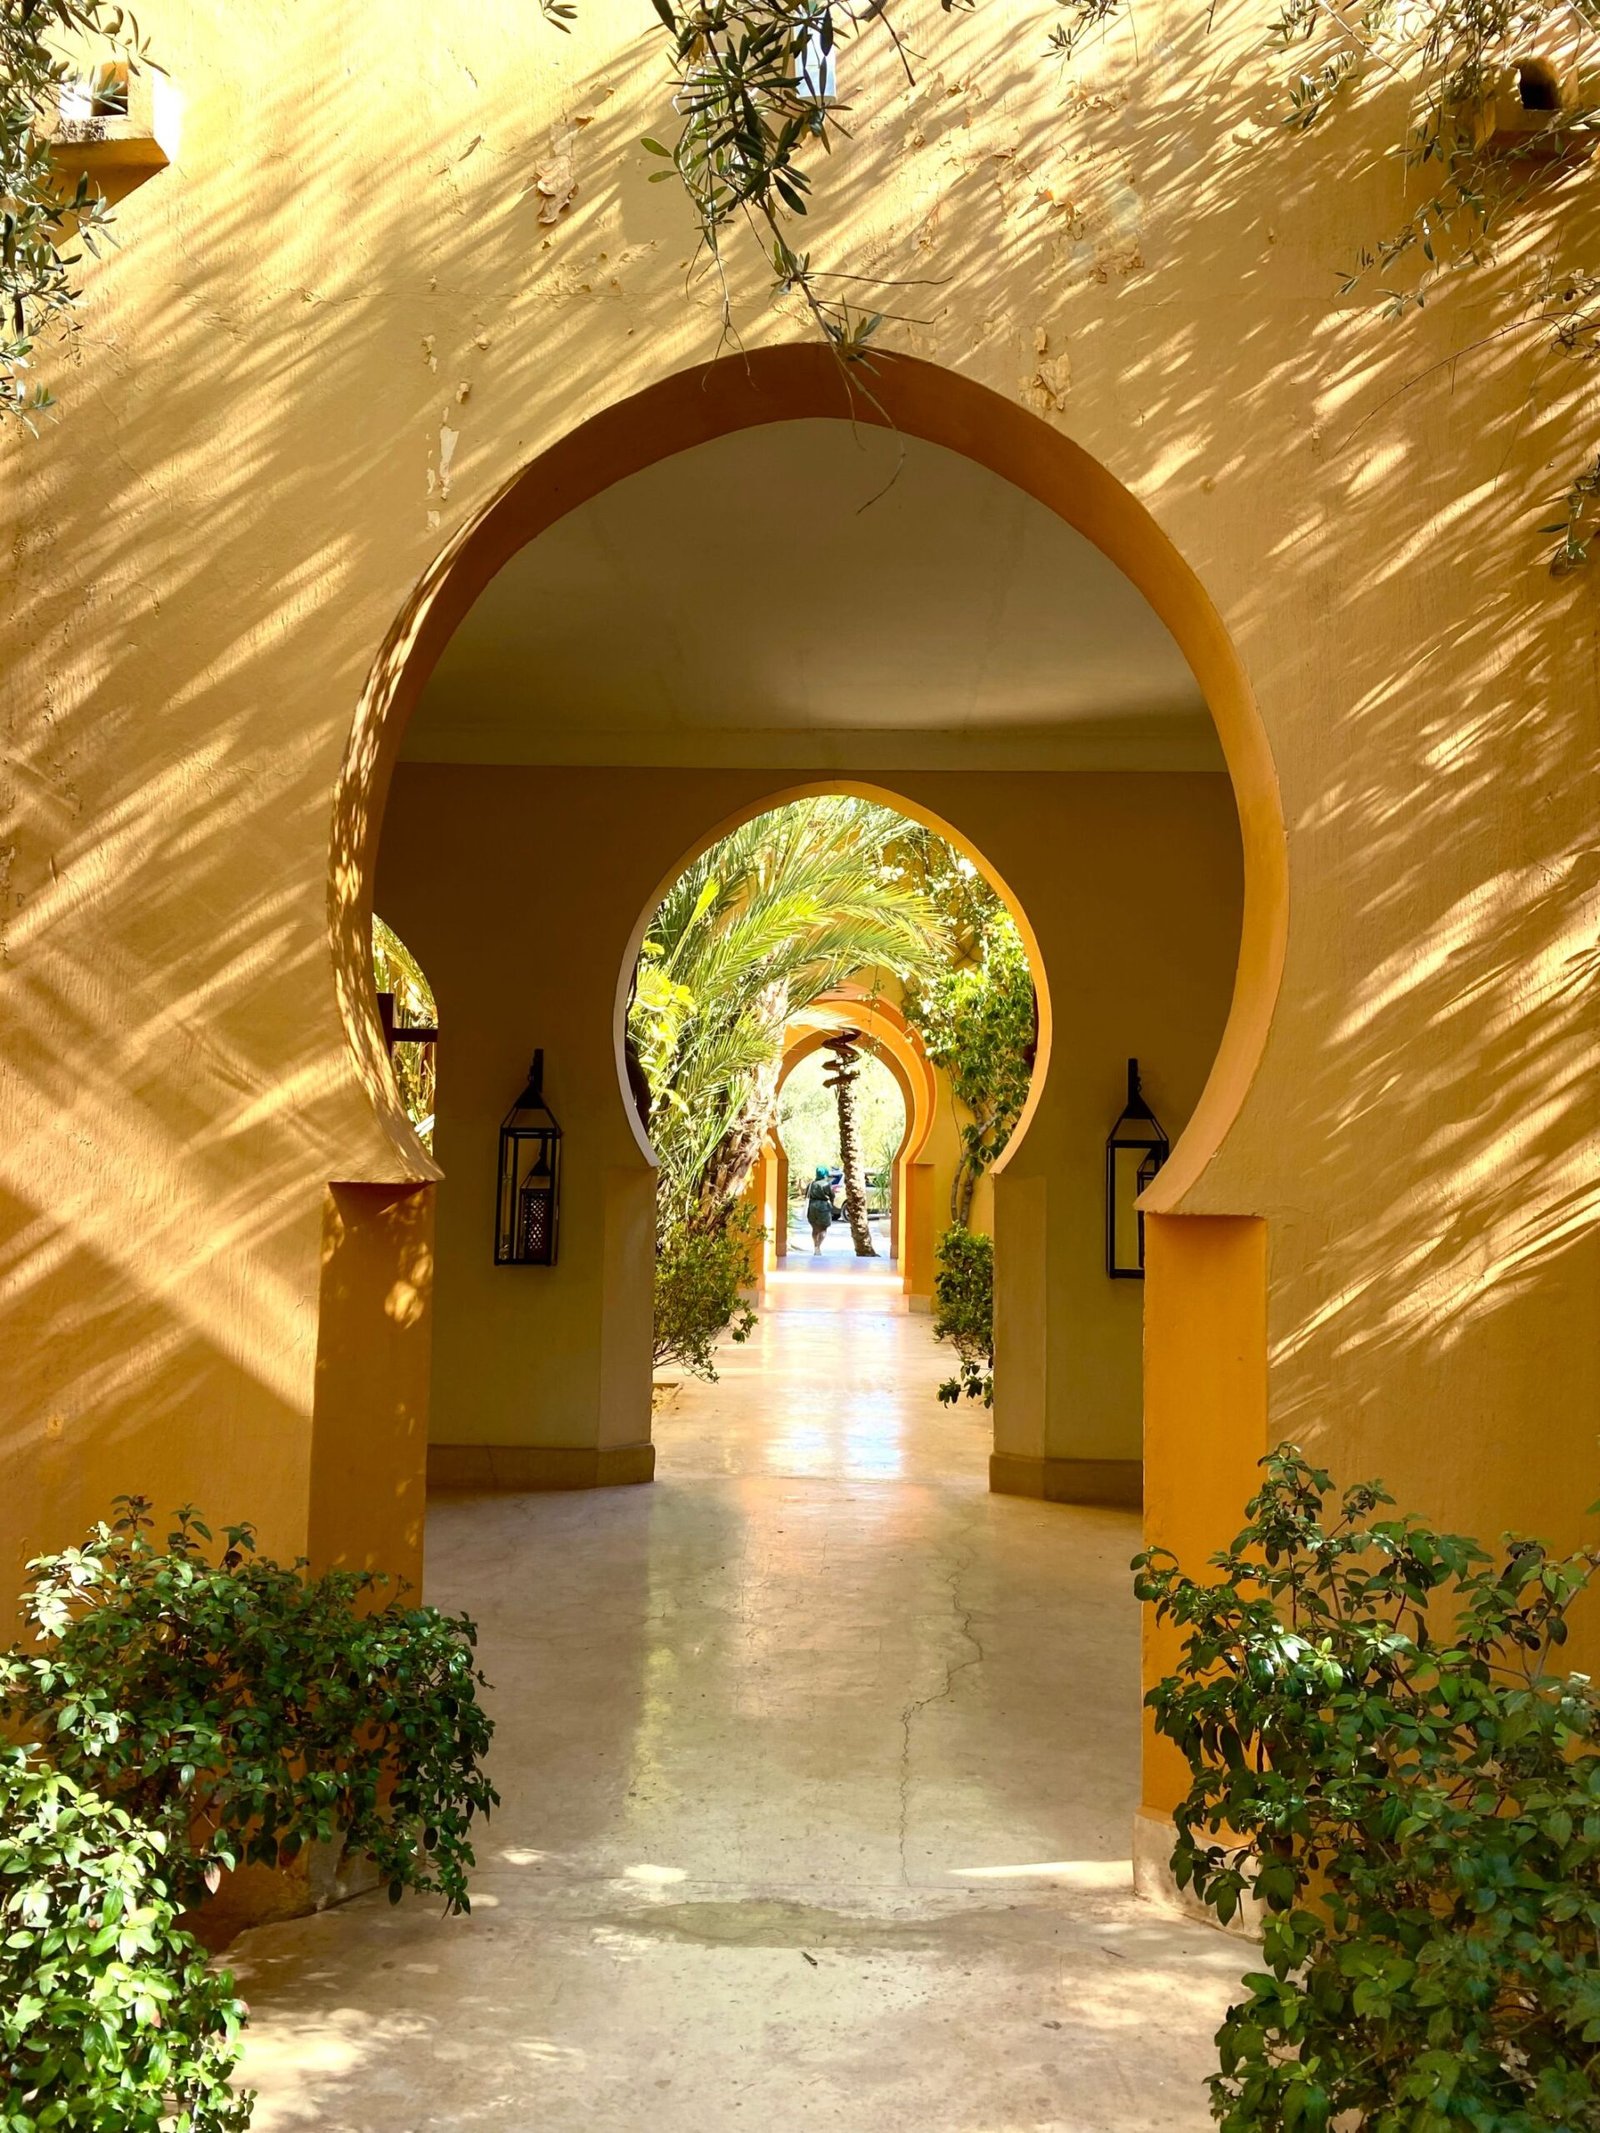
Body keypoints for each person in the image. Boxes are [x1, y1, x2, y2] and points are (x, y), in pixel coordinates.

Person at [805, 1166, 835, 1255]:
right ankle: (818, 1246)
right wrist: (831, 1205)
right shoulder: (826, 1184)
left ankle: (815, 1246)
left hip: (812, 1207)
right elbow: (832, 1196)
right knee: (823, 1228)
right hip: (823, 1208)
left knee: (814, 1228)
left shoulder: (811, 1184)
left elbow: (806, 1195)